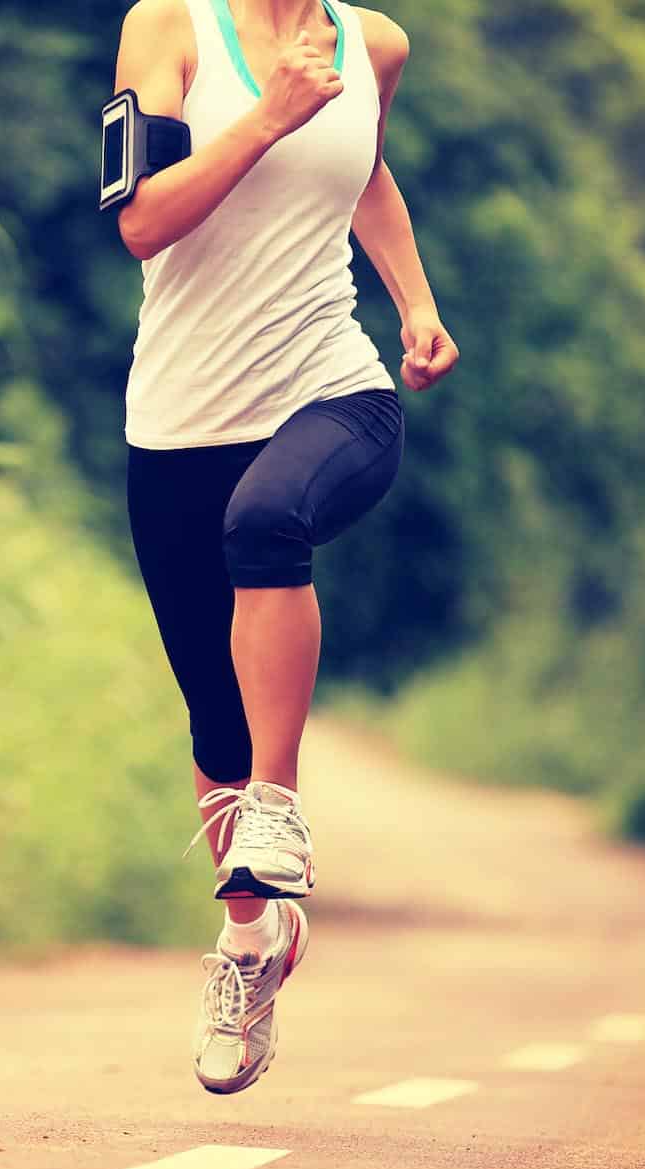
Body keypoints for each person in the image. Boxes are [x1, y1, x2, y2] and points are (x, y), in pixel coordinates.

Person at [112, 0, 459, 1093]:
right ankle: (253, 950)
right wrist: (268, 115)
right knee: (214, 724)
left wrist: (414, 303)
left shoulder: (378, 46)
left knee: (268, 523)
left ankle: (282, 804)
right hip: (178, 423)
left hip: (330, 388)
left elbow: (361, 172)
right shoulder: (166, 27)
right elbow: (141, 221)